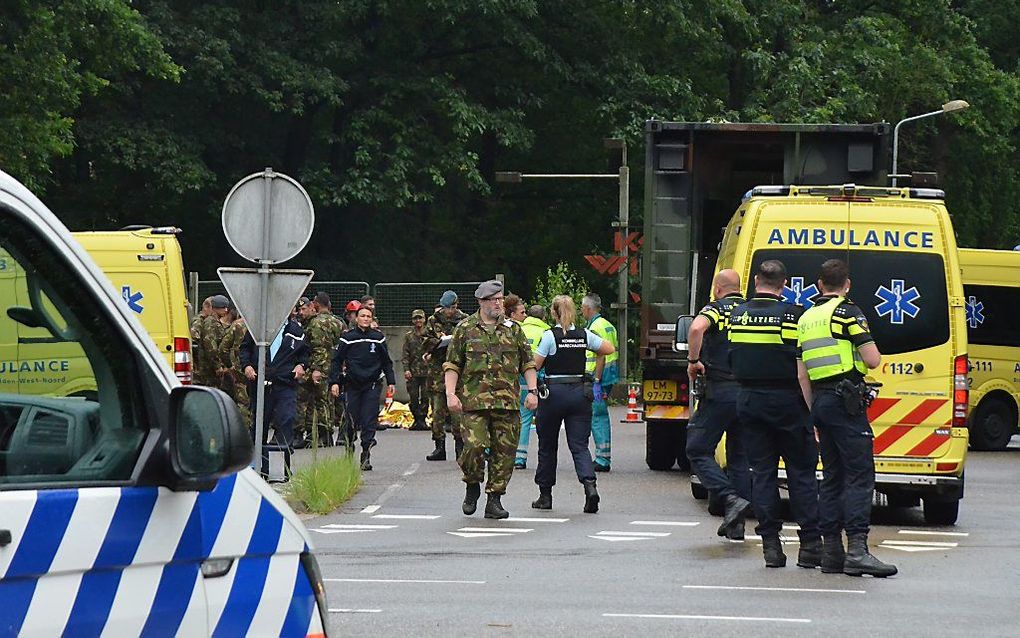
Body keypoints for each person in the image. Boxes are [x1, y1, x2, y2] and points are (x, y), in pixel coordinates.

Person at [797, 259, 896, 578]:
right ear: (847, 285)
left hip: (822, 402)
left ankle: (831, 552)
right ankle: (857, 551)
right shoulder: (847, 312)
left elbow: (801, 374)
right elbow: (873, 359)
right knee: (859, 476)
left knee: (832, 476)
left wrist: (813, 412)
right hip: (846, 401)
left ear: (819, 284)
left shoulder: (807, 317)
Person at [728, 259, 820, 569]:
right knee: (801, 472)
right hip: (788, 400)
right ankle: (809, 546)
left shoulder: (737, 315)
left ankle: (771, 545)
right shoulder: (793, 315)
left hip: (749, 399)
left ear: (756, 281)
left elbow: (733, 356)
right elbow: (803, 360)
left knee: (762, 473)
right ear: (784, 284)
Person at [444, 280, 538, 519]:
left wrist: (533, 391)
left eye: (500, 299)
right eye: (494, 300)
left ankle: (494, 499)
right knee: (473, 446)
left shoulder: (513, 329)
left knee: (504, 453)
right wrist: (450, 394)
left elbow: (527, 362)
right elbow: (453, 364)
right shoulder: (465, 329)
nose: (499, 304)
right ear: (482, 302)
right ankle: (472, 484)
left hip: (506, 402)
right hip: (473, 403)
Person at [684, 269, 752, 540]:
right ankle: (737, 526)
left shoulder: (716, 309)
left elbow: (696, 328)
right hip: (748, 393)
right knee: (739, 458)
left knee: (697, 448)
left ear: (717, 288)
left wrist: (693, 360)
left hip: (720, 390)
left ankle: (729, 498)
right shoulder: (751, 310)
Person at [531, 295, 616, 513]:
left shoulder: (550, 336)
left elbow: (536, 364)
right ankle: (590, 487)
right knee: (579, 445)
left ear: (554, 313)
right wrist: (594, 373)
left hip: (553, 394)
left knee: (547, 445)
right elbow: (607, 349)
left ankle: (545, 495)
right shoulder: (584, 334)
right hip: (580, 393)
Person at [330, 306, 396, 471]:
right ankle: (349, 447)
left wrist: (391, 382)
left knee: (369, 419)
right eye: (362, 316)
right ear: (356, 318)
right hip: (352, 385)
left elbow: (386, 362)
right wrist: (334, 382)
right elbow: (336, 361)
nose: (366, 319)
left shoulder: (378, 338)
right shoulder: (348, 338)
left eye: (368, 316)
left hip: (372, 385)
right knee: (351, 420)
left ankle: (366, 453)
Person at [240, 315, 309, 448]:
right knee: (260, 423)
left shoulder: (295, 330)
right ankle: (259, 462)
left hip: (285, 382)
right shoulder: (258, 329)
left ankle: (285, 459)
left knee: (287, 417)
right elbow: (245, 348)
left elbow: (304, 352)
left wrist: (301, 365)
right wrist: (247, 366)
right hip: (261, 383)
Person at [422, 290, 468, 461]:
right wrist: (437, 342)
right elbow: (425, 341)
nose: (450, 311)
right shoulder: (433, 320)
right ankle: (439, 446)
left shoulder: (464, 320)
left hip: (457, 371)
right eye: (447, 308)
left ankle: (460, 446)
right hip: (437, 371)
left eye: (453, 308)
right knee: (437, 413)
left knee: (458, 414)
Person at [301, 291, 346, 447]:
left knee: (317, 401)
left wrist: (317, 368)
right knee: (328, 401)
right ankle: (326, 433)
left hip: (319, 366)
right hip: (334, 365)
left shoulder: (315, 323)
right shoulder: (338, 323)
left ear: (316, 305)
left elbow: (318, 347)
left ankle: (321, 434)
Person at [580, 293, 619, 471]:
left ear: (588, 308)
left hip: (598, 377)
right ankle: (603, 456)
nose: (581, 311)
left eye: (582, 308)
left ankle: (602, 459)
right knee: (600, 415)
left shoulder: (594, 327)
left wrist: (595, 380)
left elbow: (600, 354)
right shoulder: (608, 325)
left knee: (597, 416)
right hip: (609, 376)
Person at [515, 304, 550, 469]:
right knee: (545, 418)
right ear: (543, 318)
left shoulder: (518, 330)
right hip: (541, 378)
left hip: (521, 378)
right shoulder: (547, 332)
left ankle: (519, 458)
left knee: (524, 416)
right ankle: (546, 457)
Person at [216, 305, 251, 425]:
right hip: (262, 369)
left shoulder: (238, 325)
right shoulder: (266, 326)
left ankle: (244, 432)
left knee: (243, 402)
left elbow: (223, 348)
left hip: (240, 369)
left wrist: (230, 365)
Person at [402, 309, 431, 431]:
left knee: (425, 396)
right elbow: (405, 354)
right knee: (413, 397)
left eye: (420, 318)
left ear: (424, 319)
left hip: (427, 371)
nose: (418, 321)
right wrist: (406, 369)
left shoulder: (429, 334)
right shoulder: (409, 336)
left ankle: (423, 420)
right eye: (415, 318)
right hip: (413, 372)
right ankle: (416, 419)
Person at [190, 296, 214, 385]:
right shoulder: (199, 321)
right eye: (213, 308)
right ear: (207, 308)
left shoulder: (205, 320)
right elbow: (193, 337)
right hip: (199, 366)